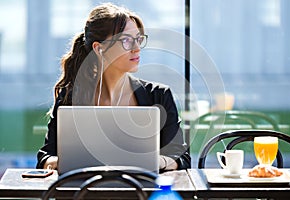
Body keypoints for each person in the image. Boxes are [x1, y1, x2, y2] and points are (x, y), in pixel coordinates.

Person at [36, 2, 191, 172]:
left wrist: (156, 162)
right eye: (126, 40)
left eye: (138, 39)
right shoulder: (71, 97)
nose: (137, 48)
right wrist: (64, 163)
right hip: (84, 192)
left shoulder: (159, 96)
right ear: (99, 48)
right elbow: (45, 156)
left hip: (141, 193)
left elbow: (181, 157)